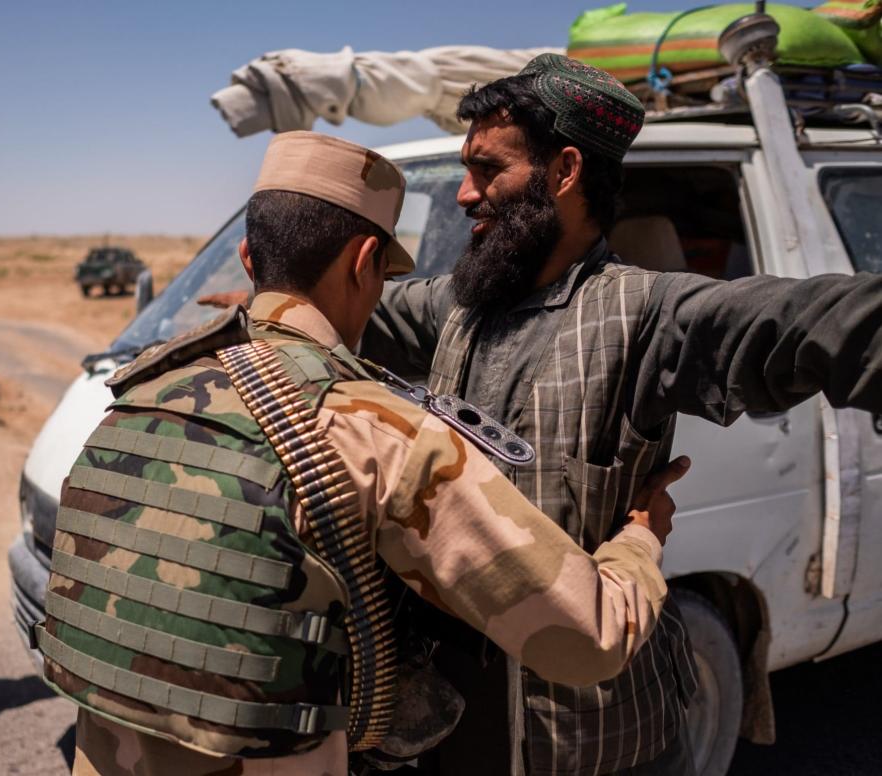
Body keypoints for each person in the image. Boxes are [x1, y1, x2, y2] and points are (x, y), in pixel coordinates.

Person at [34, 131, 693, 776]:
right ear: (363, 262)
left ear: (245, 256)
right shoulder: (378, 434)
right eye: (384, 273)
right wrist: (639, 539)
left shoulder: (143, 389)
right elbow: (587, 637)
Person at [362, 54, 882, 775]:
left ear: (565, 171)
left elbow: (817, 323)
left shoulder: (650, 314)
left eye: (487, 169)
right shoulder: (459, 307)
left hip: (585, 734)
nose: (463, 195)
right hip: (455, 718)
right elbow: (353, 308)